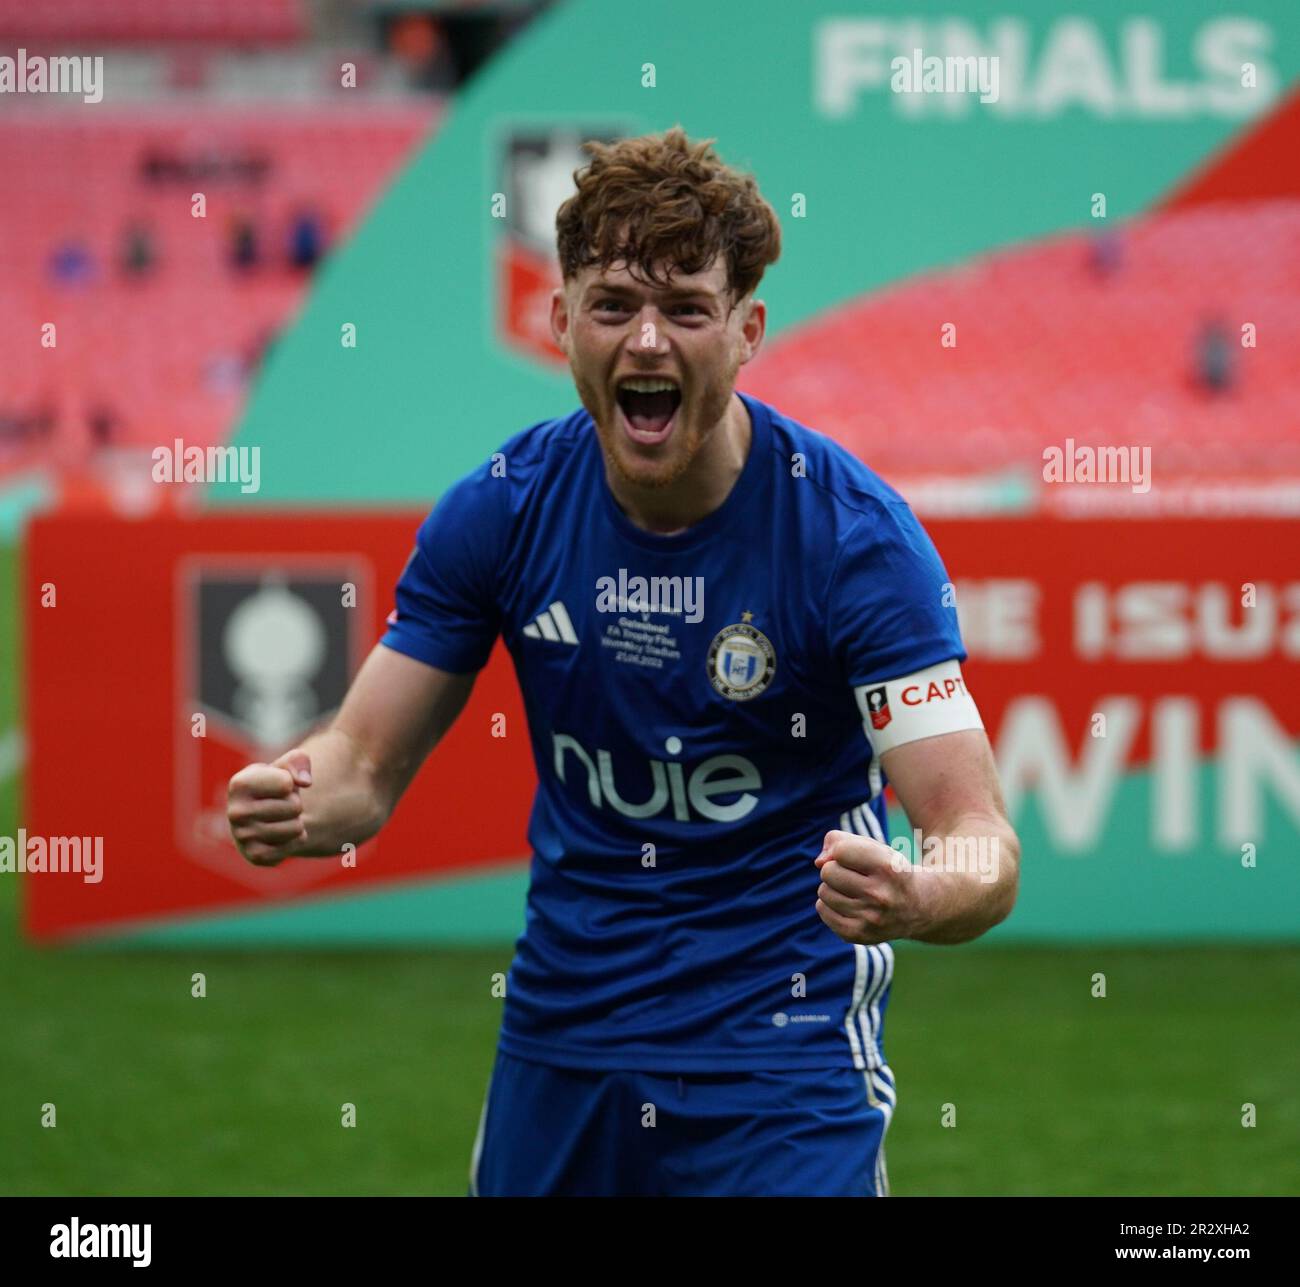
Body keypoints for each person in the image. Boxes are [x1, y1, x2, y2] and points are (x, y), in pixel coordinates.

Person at [226, 126, 1020, 1197]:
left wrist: (922, 897)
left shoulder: (855, 541)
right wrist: (296, 796)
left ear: (746, 332)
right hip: (564, 1034)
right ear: (559, 323)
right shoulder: (499, 510)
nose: (647, 342)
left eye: (687, 310)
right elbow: (362, 766)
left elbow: (973, 833)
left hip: (779, 1054)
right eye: (611, 306)